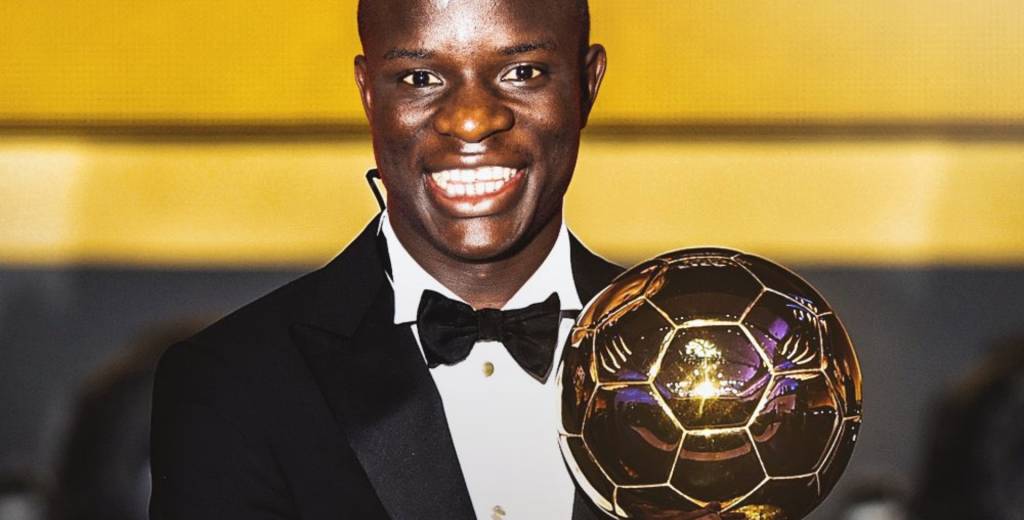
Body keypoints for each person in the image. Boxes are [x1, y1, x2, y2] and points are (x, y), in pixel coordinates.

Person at [150, 1, 723, 518]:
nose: (471, 119)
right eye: (420, 78)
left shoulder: (715, 361)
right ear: (369, 94)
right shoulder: (232, 381)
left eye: (522, 72)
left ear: (587, 83)